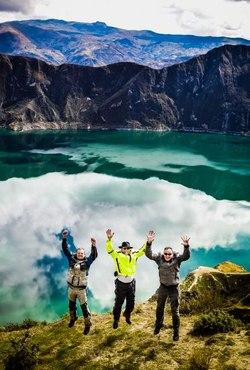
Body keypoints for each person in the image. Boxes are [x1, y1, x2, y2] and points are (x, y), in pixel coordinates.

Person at [145, 230, 190, 341]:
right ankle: (158, 325)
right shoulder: (159, 258)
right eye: (165, 254)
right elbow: (149, 254)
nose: (167, 255)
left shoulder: (177, 258)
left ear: (172, 253)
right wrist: (149, 243)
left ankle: (176, 332)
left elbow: (186, 256)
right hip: (163, 287)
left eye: (169, 254)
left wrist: (186, 246)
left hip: (174, 288)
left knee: (175, 311)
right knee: (159, 308)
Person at [105, 228, 148, 329]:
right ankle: (116, 320)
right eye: (123, 248)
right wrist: (109, 239)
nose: (125, 250)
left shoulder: (134, 254)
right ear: (121, 249)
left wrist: (148, 242)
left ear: (129, 249)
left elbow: (142, 250)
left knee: (131, 302)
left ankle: (127, 314)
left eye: (127, 248)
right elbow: (109, 249)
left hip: (131, 282)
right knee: (118, 303)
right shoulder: (117, 255)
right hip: (121, 283)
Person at [61, 229, 97, 335]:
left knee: (84, 307)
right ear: (76, 253)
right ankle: (73, 318)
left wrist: (94, 245)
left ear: (84, 254)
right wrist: (64, 238)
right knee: (71, 305)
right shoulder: (71, 259)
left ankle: (87, 324)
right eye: (79, 253)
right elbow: (65, 249)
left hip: (81, 290)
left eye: (82, 253)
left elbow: (93, 256)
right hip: (71, 288)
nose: (80, 254)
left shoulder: (87, 262)